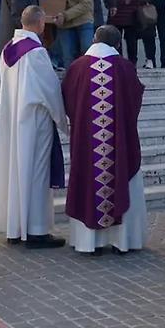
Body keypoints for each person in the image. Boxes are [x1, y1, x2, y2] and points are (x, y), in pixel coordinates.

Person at [62, 25, 146, 255]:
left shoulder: (77, 67)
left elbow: (67, 100)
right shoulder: (125, 68)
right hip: (119, 144)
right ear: (118, 44)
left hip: (87, 144)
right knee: (121, 176)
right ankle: (123, 241)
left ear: (94, 39)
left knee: (88, 179)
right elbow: (135, 98)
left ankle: (89, 243)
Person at [0, 6, 69, 248]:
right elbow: (50, 89)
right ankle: (36, 231)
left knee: (17, 172)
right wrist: (63, 121)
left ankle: (16, 227)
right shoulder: (36, 52)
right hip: (35, 121)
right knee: (36, 173)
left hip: (14, 119)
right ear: (41, 24)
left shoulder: (7, 50)